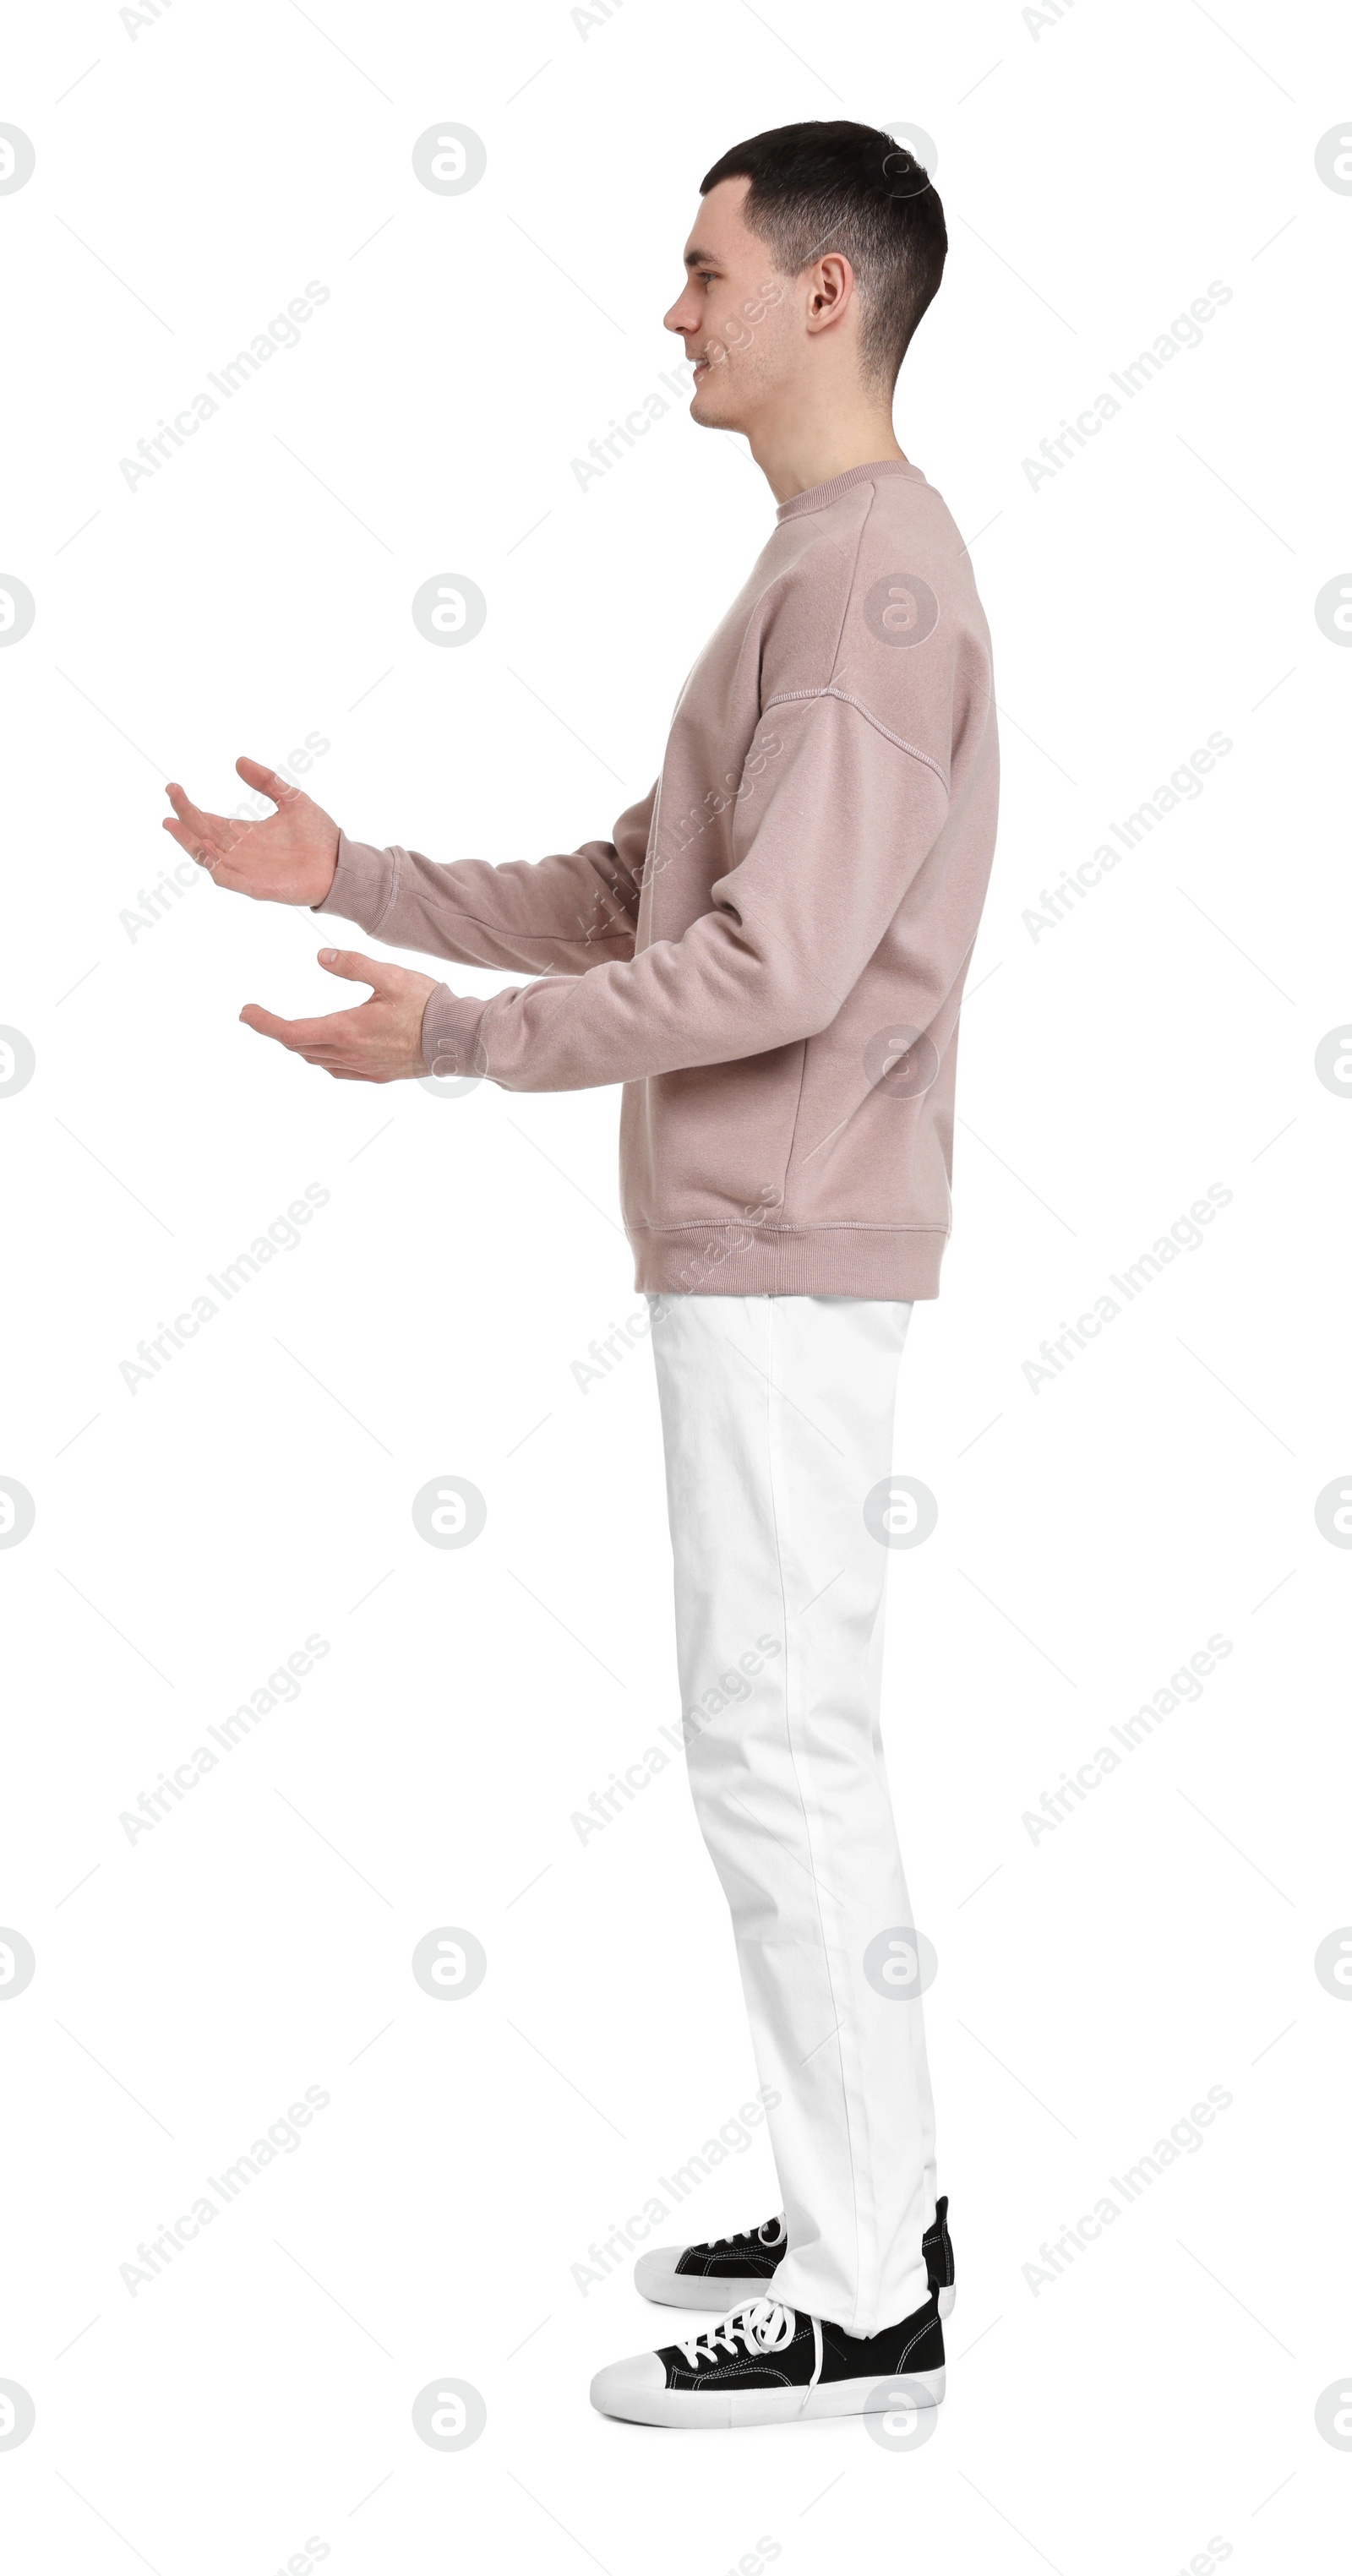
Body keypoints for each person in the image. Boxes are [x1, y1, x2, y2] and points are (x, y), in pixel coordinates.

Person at [161, 119, 998, 2430]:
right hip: (769, 1234)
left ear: (828, 293)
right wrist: (367, 873)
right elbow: (646, 884)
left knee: (776, 1742)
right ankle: (880, 2199)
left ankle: (860, 2303)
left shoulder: (871, 588)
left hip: (782, 1234)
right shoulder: (823, 572)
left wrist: (455, 1045)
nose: (675, 307)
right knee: (800, 1729)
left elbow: (767, 959)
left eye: (708, 265)